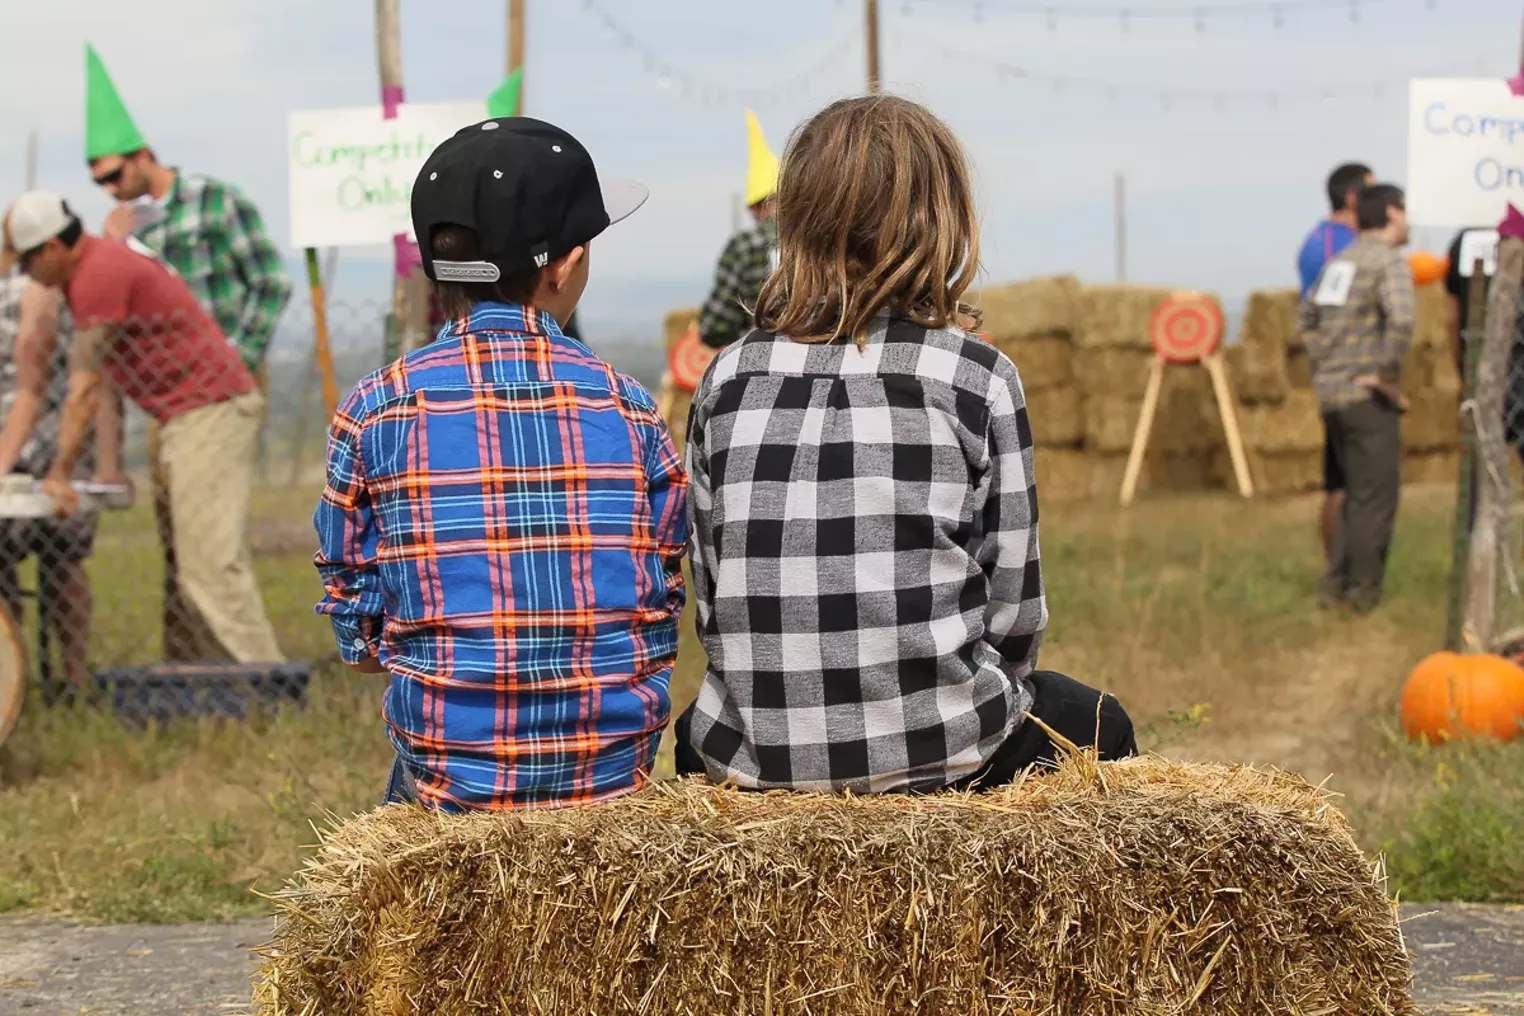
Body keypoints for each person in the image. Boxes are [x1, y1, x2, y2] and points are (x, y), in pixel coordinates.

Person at [676, 96, 1136, 795]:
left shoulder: (726, 377)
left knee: (689, 743)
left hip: (756, 764)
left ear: (796, 217)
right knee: (1103, 723)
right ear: (942, 221)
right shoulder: (977, 378)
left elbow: (713, 599)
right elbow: (1015, 616)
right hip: (948, 750)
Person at [313, 117, 687, 812]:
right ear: (565, 266)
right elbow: (661, 605)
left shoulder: (373, 409)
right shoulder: (631, 409)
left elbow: (360, 638)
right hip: (608, 782)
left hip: (448, 788)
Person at [9, 190, 284, 664]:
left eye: (28, 264)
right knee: (188, 563)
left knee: (210, 565)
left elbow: (83, 388)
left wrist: (59, 473)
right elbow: (105, 384)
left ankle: (267, 680)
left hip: (210, 411)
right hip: (188, 415)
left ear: (52, 249)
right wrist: (106, 467)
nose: (27, 275)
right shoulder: (92, 269)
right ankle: (199, 677)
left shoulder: (95, 275)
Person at [84, 43, 291, 661]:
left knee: (212, 533)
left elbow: (272, 283)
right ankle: (189, 660)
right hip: (167, 399)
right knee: (175, 533)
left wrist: (234, 352)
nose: (110, 188)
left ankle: (249, 667)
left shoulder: (214, 201)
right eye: (99, 182)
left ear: (145, 156)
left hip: (223, 386)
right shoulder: (127, 233)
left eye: (115, 175)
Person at [0, 210, 122, 693]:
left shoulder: (40, 290)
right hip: (40, 440)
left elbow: (89, 381)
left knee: (61, 558)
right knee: (42, 561)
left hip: (55, 439)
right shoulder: (53, 284)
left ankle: (55, 679)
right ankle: (33, 678)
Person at [1298, 183, 1413, 614]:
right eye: (1405, 212)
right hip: (1365, 398)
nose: (1410, 221)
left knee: (1349, 493)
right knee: (1375, 497)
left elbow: (1305, 317)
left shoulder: (1339, 263)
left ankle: (1336, 587)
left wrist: (1328, 362)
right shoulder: (1388, 262)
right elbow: (1401, 321)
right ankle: (1362, 595)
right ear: (1390, 213)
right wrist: (1382, 375)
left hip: (1331, 395)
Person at [1297, 162, 1374, 572]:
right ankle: (1345, 572)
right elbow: (1322, 315)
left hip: (1342, 377)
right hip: (1348, 381)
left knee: (1346, 480)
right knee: (1344, 482)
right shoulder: (1335, 247)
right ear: (1352, 198)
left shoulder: (1334, 241)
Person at [696, 109, 780, 350]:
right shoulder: (822, 237)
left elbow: (715, 327)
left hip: (760, 363)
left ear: (755, 206)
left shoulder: (744, 246)